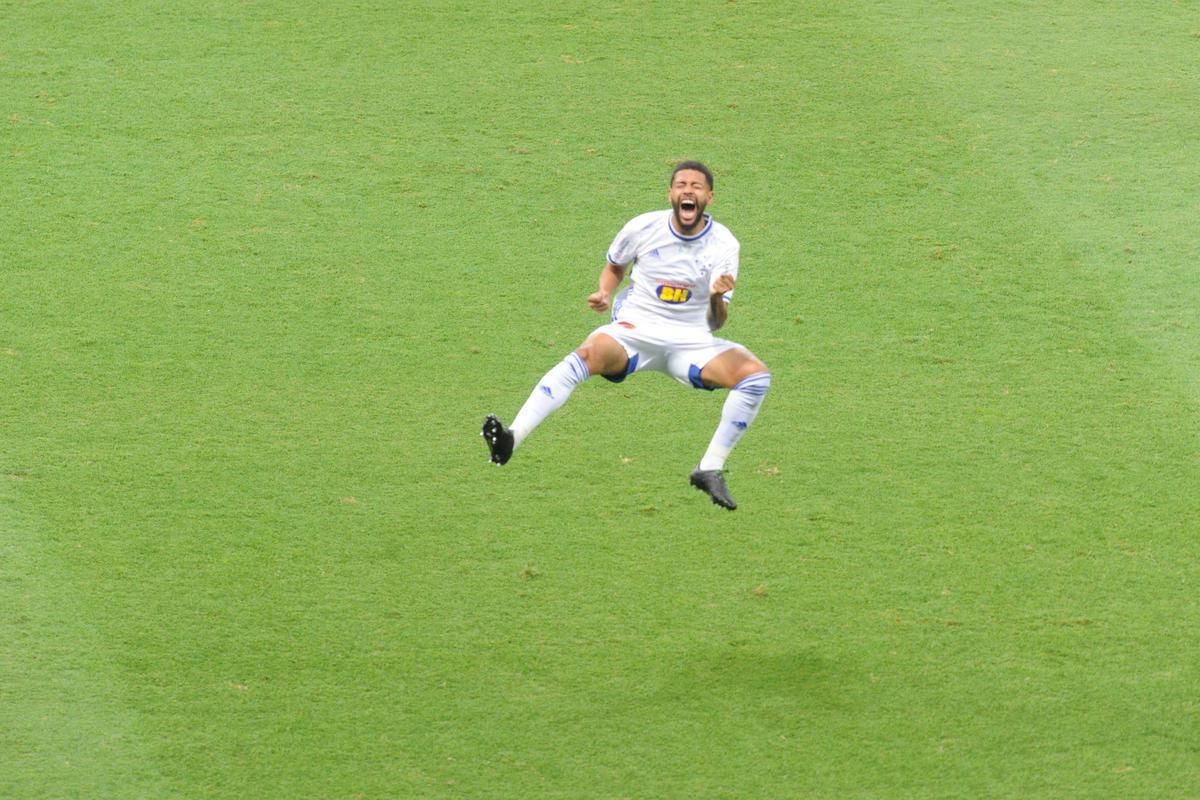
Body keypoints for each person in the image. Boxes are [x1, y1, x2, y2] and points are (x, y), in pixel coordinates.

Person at [482, 160, 771, 510]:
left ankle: (709, 468)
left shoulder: (724, 245)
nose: (688, 191)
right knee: (587, 354)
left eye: (696, 186)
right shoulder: (642, 227)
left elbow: (717, 323)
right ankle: (513, 437)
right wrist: (604, 292)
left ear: (709, 196)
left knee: (756, 377)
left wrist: (714, 297)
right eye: (681, 184)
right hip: (637, 330)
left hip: (691, 341)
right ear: (670, 193)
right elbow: (615, 266)